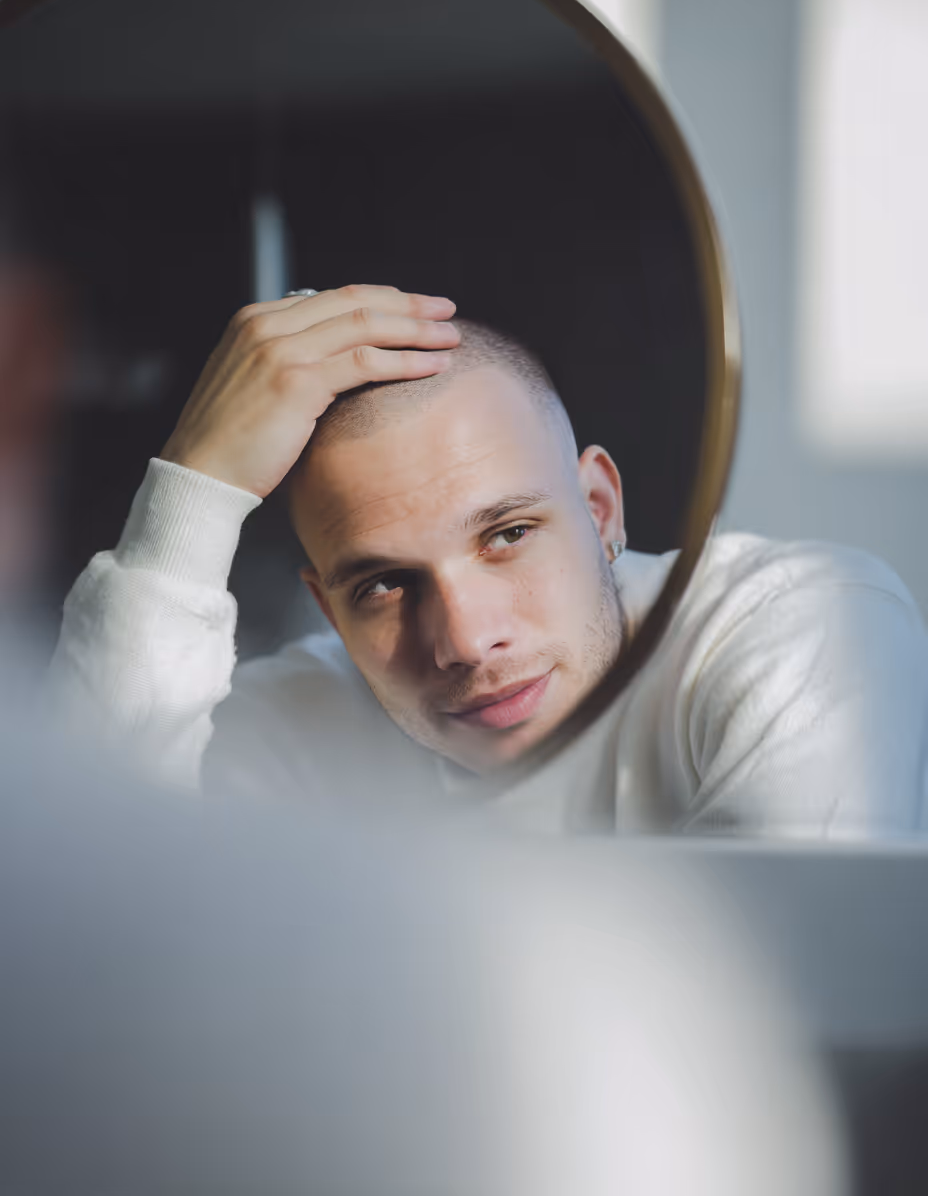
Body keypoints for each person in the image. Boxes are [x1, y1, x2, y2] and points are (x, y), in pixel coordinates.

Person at [48, 284, 928, 836]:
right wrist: (193, 489)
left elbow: (779, 1021)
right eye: (384, 585)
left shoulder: (799, 626)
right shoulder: (299, 724)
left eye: (506, 534)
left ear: (599, 509)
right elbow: (83, 926)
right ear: (329, 614)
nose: (465, 643)